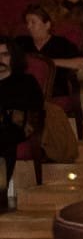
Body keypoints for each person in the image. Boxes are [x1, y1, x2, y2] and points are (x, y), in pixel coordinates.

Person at [0, 40, 43, 204]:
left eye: (4, 55)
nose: (0, 59)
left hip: (17, 127)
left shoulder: (26, 81)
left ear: (13, 57)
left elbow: (34, 108)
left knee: (5, 136)